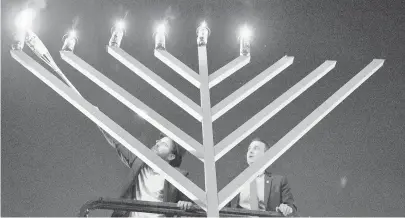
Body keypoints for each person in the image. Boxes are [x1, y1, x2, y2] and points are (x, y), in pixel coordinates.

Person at [98, 126, 193, 217]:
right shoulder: (140, 163)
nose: (157, 143)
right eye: (158, 141)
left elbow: (193, 203)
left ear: (171, 156)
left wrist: (187, 204)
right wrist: (97, 116)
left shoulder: (178, 177)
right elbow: (118, 141)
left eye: (164, 144)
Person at [227, 138, 298, 217]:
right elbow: (223, 209)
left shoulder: (279, 181)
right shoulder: (235, 182)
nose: (250, 151)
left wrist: (287, 208)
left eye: (256, 148)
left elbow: (292, 209)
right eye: (249, 149)